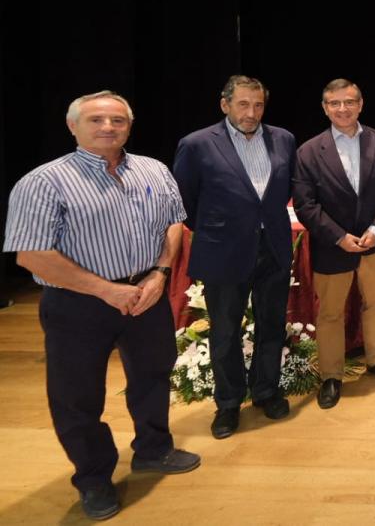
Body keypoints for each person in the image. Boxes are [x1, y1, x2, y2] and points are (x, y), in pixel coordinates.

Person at [4, 91, 200, 520]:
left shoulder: (154, 169)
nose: (108, 127)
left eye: (117, 120)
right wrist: (105, 290)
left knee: (152, 376)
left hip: (146, 295)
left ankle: (153, 449)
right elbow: (32, 255)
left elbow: (174, 222)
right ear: (72, 126)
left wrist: (159, 274)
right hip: (78, 306)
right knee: (77, 397)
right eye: (96, 120)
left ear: (129, 126)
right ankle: (93, 479)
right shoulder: (42, 182)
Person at [174, 75, 297, 438]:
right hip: (223, 253)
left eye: (258, 105)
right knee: (225, 331)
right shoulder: (196, 144)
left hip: (273, 249)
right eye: (243, 104)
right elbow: (186, 201)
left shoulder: (284, 139)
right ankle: (228, 403)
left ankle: (266, 390)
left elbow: (283, 191)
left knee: (272, 324)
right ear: (224, 104)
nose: (251, 112)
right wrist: (223, 228)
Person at [292, 79, 375, 410]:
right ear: (325, 108)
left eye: (349, 102)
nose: (343, 108)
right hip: (332, 245)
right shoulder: (309, 151)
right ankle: (331, 376)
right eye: (335, 103)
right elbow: (305, 204)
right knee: (329, 313)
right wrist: (339, 237)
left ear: (361, 104)